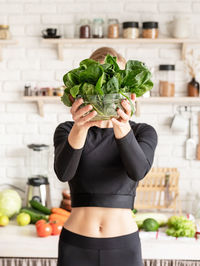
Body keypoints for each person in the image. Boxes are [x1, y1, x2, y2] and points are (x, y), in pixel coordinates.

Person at [54, 47, 158, 266]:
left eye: (117, 81)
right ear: (86, 88)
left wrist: (122, 127)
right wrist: (80, 127)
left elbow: (138, 171)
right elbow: (64, 173)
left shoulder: (142, 132)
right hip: (75, 244)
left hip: (124, 246)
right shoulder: (67, 129)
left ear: (129, 90)